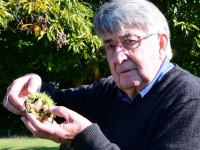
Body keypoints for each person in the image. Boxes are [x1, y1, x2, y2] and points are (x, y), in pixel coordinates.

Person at [3, 0, 200, 149]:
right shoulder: (108, 91)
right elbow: (54, 100)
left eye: (130, 41)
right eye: (110, 45)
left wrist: (83, 137)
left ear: (161, 44)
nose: (118, 57)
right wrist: (32, 87)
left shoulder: (190, 99)